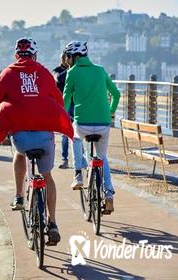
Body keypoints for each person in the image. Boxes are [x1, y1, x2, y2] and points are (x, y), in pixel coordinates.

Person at [0, 38, 73, 245]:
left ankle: (18, 196)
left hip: (21, 138)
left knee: (19, 153)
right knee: (48, 177)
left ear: (16, 55)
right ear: (34, 55)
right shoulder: (44, 72)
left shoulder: (7, 73)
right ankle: (52, 223)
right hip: (44, 137)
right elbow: (58, 99)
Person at [63, 41, 120, 213]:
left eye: (69, 57)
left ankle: (78, 174)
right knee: (102, 157)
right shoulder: (100, 70)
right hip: (103, 124)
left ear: (74, 57)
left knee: (74, 137)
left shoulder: (72, 72)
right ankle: (109, 194)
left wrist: (63, 118)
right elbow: (116, 94)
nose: (68, 60)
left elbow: (65, 100)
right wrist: (110, 112)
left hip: (82, 124)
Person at [52, 51, 75, 169]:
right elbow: (59, 79)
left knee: (79, 133)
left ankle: (82, 159)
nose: (66, 59)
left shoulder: (75, 71)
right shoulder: (57, 70)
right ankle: (65, 159)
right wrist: (71, 68)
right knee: (65, 134)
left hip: (75, 103)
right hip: (64, 105)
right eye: (64, 58)